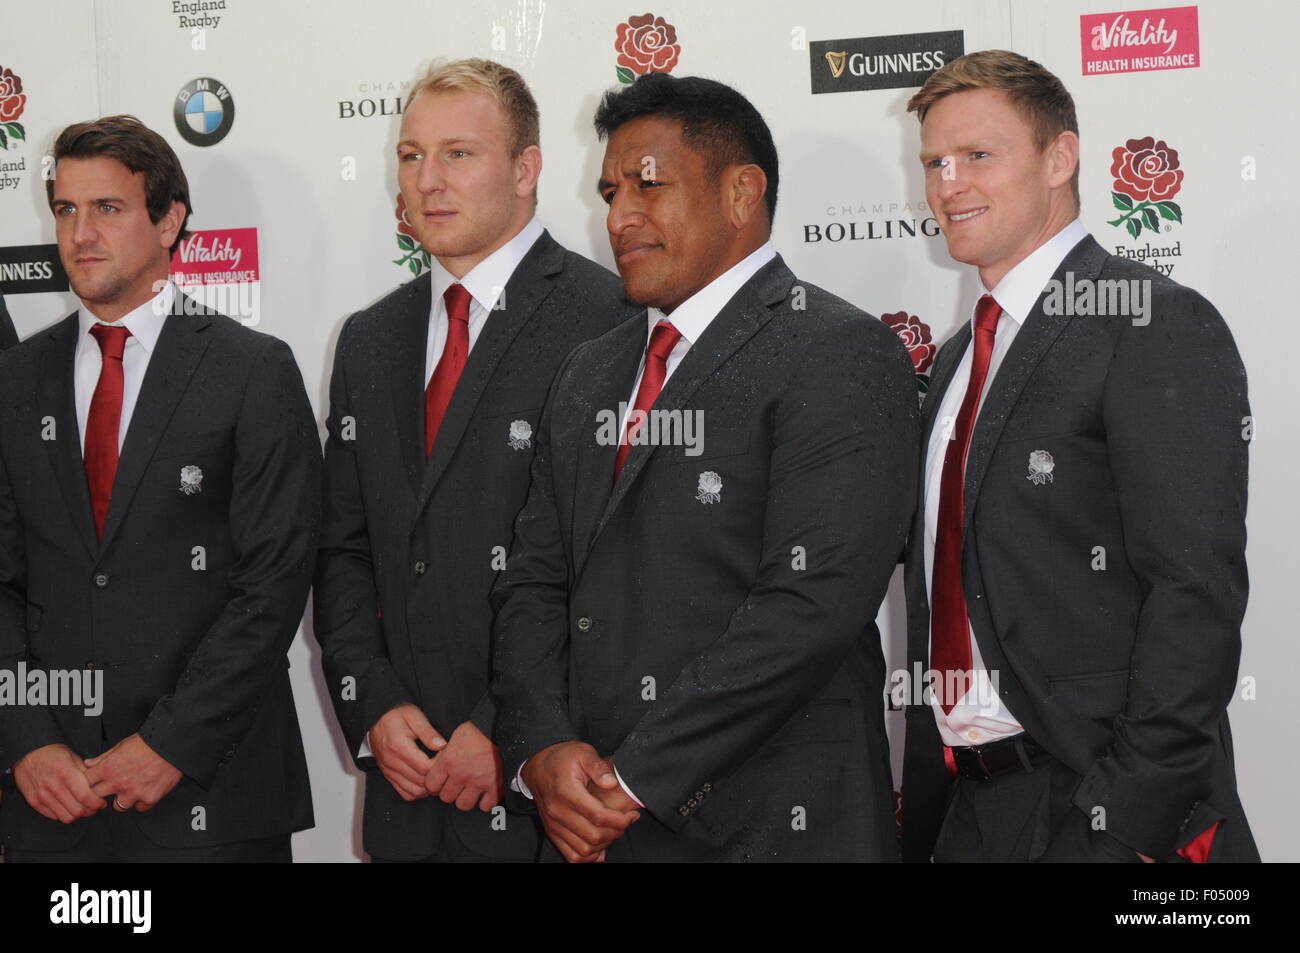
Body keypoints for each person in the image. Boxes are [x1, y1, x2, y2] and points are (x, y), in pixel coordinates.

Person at [490, 73, 919, 863]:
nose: (618, 216)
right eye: (611, 190)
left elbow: (810, 606)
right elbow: (533, 580)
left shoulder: (839, 351)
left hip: (774, 824)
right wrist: (542, 751)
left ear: (740, 192)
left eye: (648, 186)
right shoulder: (588, 370)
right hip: (589, 827)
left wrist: (634, 778)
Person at [898, 50, 1258, 862]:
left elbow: (1193, 591)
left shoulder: (1150, 323)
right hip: (969, 810)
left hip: (1102, 808)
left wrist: (1131, 818)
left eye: (978, 156)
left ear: (1060, 158)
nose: (949, 183)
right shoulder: (956, 364)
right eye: (934, 162)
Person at [314, 59, 632, 863]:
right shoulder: (368, 337)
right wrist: (374, 707)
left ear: (526, 169)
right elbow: (342, 546)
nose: (428, 180)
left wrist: (508, 729)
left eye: (458, 153)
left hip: (548, 792)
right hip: (406, 792)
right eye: (412, 155)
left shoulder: (611, 319)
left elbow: (617, 567)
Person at [0, 115, 319, 861]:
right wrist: (26, 741)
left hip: (214, 793)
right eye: (66, 209)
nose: (80, 233)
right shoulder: (14, 381)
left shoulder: (252, 371)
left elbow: (272, 586)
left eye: (107, 208)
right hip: (56, 802)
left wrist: (172, 742)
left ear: (170, 219)